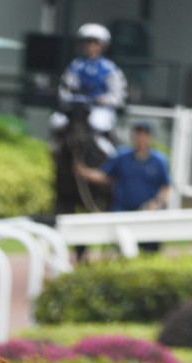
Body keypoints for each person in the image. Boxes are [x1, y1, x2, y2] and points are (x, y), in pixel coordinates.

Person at [74, 119, 171, 251]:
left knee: (149, 252)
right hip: (121, 211)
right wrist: (84, 172)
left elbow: (165, 187)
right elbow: (105, 176)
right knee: (122, 249)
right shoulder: (122, 156)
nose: (140, 138)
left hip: (147, 214)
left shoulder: (159, 160)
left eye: (144, 135)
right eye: (138, 134)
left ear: (150, 138)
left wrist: (157, 203)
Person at [50, 22, 127, 157]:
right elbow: (64, 89)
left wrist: (103, 99)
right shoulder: (75, 66)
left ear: (102, 45)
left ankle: (111, 156)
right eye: (86, 42)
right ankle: (54, 151)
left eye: (94, 42)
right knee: (56, 121)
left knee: (99, 123)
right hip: (76, 108)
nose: (89, 46)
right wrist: (70, 99)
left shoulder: (110, 69)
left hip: (99, 109)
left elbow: (119, 96)